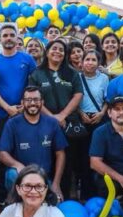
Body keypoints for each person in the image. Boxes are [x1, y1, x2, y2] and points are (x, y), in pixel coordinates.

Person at [0, 25, 38, 194]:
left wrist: (25, 105)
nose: (8, 38)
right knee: (3, 153)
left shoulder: (27, 59)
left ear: (17, 38)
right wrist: (7, 108)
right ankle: (2, 193)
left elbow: (33, 85)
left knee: (26, 150)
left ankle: (28, 188)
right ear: (0, 39)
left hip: (26, 114)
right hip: (3, 115)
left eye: (11, 35)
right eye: (5, 35)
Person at [29, 40, 83, 195]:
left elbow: (78, 94)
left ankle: (65, 195)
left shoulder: (72, 73)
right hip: (44, 122)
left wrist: (62, 115)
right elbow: (34, 97)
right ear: (47, 52)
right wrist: (52, 117)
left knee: (68, 161)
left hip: (68, 123)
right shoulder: (37, 73)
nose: (58, 52)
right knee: (47, 159)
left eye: (61, 50)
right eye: (54, 49)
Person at [0, 86, 68, 197]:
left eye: (36, 99)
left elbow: (61, 153)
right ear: (22, 102)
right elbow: (2, 154)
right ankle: (16, 202)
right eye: (28, 100)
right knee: (11, 174)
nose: (32, 103)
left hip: (43, 179)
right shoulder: (12, 123)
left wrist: (56, 184)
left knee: (54, 203)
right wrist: (17, 165)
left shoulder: (52, 123)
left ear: (42, 102)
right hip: (21, 177)